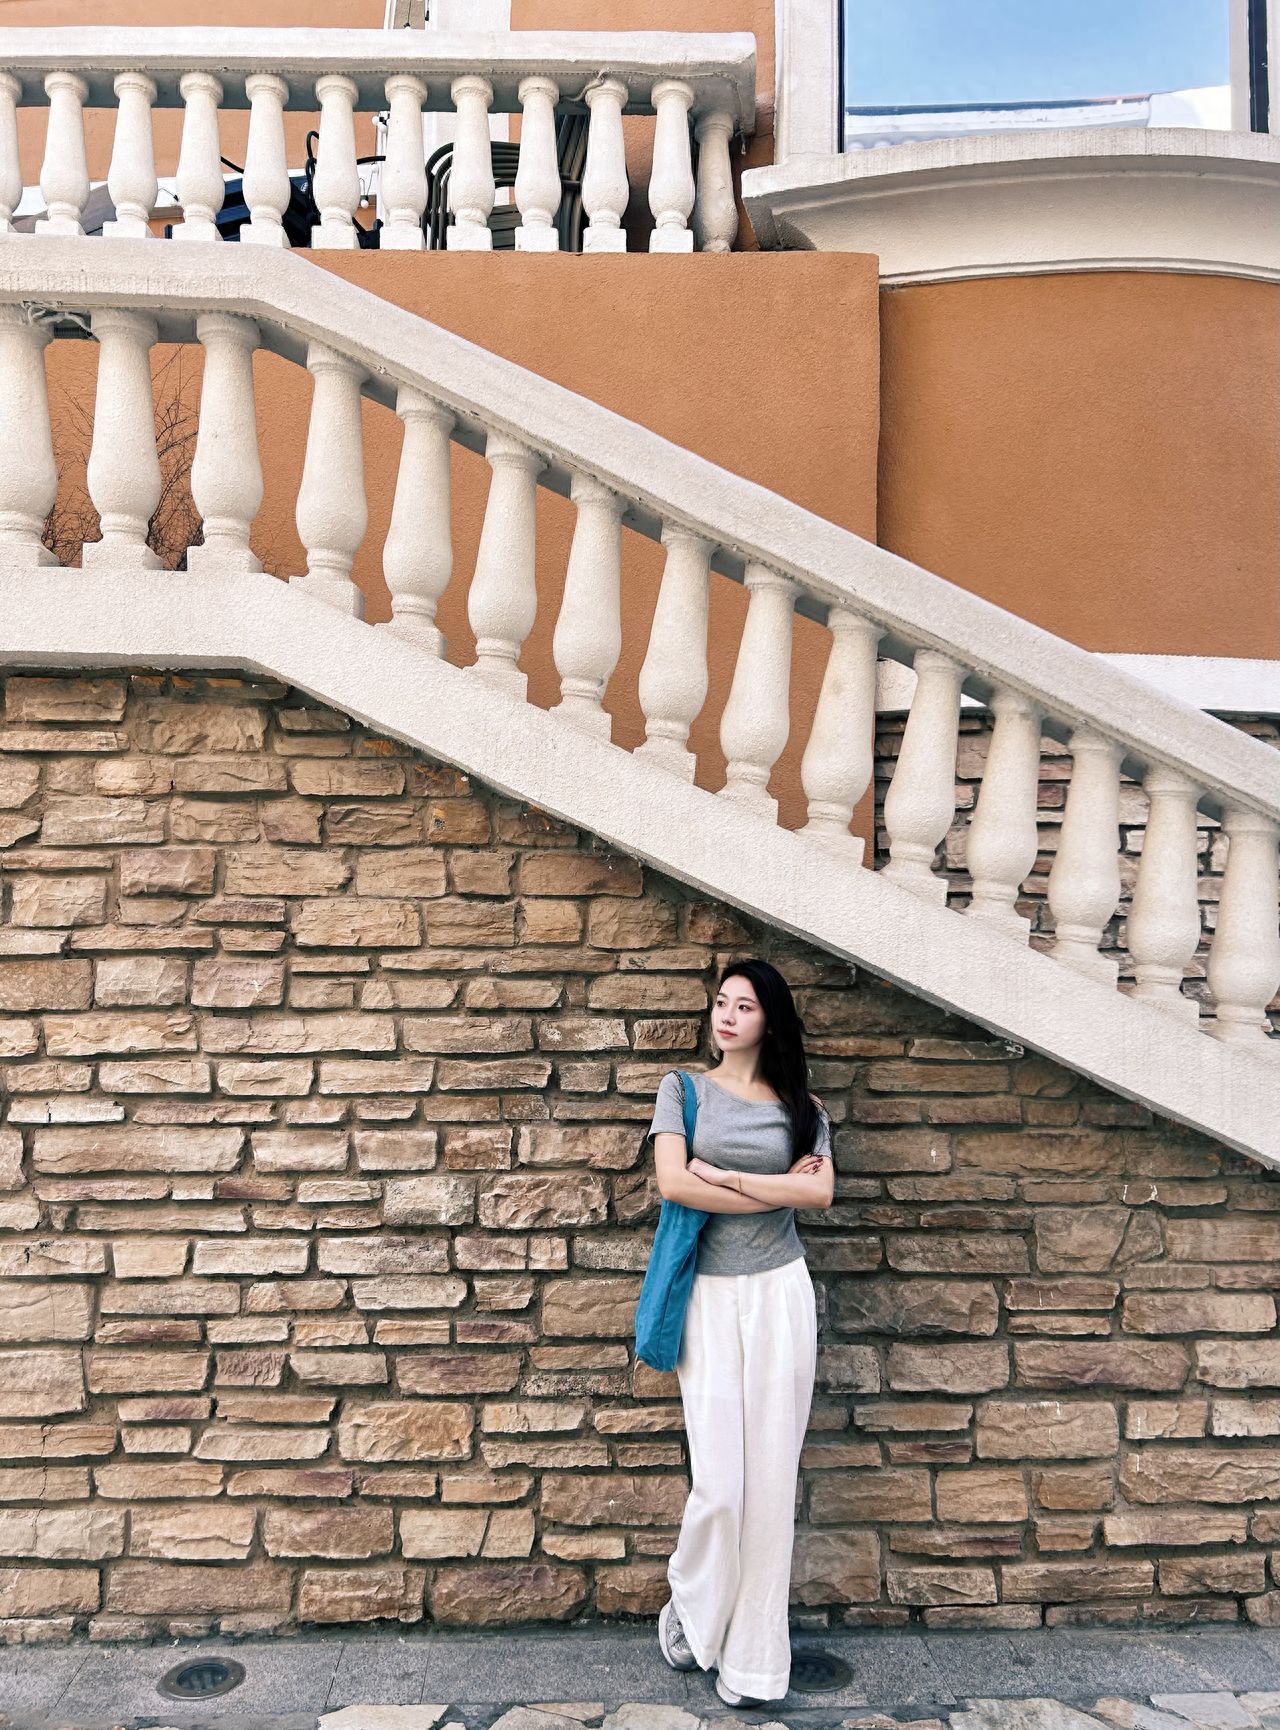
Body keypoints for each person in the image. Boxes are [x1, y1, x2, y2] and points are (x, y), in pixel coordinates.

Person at [646, 956, 835, 1707]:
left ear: (770, 1020)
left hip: (780, 1296)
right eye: (720, 1003)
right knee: (721, 1484)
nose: (726, 1016)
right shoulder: (683, 1090)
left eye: (744, 1006)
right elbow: (673, 1181)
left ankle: (753, 1665)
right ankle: (691, 1607)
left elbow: (819, 1192)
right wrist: (772, 1187)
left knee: (770, 1487)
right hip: (710, 1300)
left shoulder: (802, 1105)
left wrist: (727, 1178)